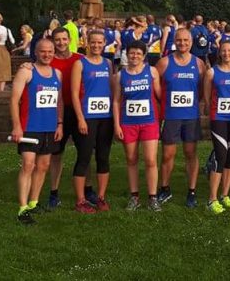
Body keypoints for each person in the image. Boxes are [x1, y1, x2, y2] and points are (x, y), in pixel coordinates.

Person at [9, 38, 63, 224]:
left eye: (50, 51)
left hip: (49, 128)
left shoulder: (57, 74)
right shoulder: (26, 71)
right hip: (29, 127)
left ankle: (34, 202)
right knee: (28, 165)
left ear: (54, 52)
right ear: (36, 53)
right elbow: (14, 100)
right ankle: (22, 209)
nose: (46, 55)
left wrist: (60, 124)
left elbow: (59, 102)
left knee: (43, 166)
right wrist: (17, 126)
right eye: (42, 51)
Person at [156, 28, 206, 208]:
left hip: (191, 117)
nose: (182, 43)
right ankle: (165, 188)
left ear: (191, 42)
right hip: (170, 116)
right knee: (168, 154)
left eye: (186, 40)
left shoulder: (199, 64)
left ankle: (191, 191)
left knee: (190, 153)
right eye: (179, 40)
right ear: (174, 41)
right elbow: (156, 86)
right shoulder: (164, 63)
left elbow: (201, 90)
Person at [113, 40, 162, 211]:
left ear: (144, 55)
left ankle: (152, 197)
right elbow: (116, 101)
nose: (134, 56)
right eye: (132, 53)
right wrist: (116, 125)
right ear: (127, 54)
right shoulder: (121, 75)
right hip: (128, 123)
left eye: (138, 54)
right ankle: (134, 197)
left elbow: (159, 95)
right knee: (131, 160)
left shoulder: (152, 71)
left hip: (149, 122)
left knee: (150, 160)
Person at [45, 27, 89, 208]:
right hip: (57, 111)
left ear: (70, 39)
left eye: (64, 39)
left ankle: (88, 188)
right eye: (58, 40)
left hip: (80, 111)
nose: (61, 43)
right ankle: (54, 192)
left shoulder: (80, 59)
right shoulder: (48, 60)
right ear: (53, 41)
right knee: (56, 154)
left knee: (85, 153)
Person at [70, 30, 114, 213]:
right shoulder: (80, 64)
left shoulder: (108, 64)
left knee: (103, 157)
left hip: (106, 118)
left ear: (104, 43)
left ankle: (101, 197)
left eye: (99, 43)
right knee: (84, 157)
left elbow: (112, 90)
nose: (96, 46)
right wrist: (80, 118)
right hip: (87, 117)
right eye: (93, 42)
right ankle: (81, 200)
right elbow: (73, 93)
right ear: (87, 43)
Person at [203, 41, 230, 214]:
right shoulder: (212, 72)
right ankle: (211, 199)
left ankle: (224, 195)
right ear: (219, 53)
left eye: (229, 51)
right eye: (223, 51)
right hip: (219, 119)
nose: (226, 53)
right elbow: (206, 97)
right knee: (220, 155)